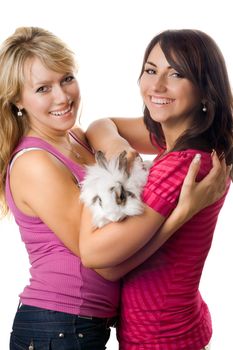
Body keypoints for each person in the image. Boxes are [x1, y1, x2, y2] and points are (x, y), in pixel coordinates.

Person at [0, 27, 229, 350]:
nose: (62, 97)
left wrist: (114, 143)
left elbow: (126, 126)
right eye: (42, 88)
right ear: (16, 100)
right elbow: (101, 262)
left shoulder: (77, 138)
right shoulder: (34, 163)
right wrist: (180, 216)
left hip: (85, 324)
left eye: (66, 78)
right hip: (57, 323)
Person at [81, 29, 233, 349]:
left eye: (176, 73)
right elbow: (100, 125)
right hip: (177, 325)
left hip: (161, 337)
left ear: (206, 90)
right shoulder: (179, 140)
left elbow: (99, 258)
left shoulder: (183, 165)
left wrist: (178, 217)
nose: (157, 85)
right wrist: (119, 149)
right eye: (151, 70)